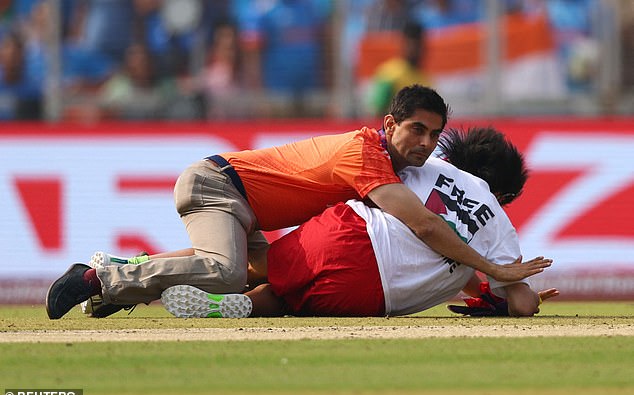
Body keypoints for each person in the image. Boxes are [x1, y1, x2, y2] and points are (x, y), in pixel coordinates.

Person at [46, 84, 549, 320]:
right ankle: (101, 279)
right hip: (220, 186)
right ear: (389, 124)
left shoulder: (408, 167)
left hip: (243, 198)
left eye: (433, 135)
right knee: (227, 269)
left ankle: (124, 272)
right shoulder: (367, 154)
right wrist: (493, 270)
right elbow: (423, 226)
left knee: (254, 264)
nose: (424, 144)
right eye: (416, 130)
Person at [159, 126, 557, 318]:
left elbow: (430, 230)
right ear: (502, 194)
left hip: (347, 233)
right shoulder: (497, 222)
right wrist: (514, 295)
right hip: (376, 291)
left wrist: (479, 282)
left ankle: (145, 271)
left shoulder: (422, 163)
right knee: (285, 300)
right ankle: (238, 306)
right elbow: (519, 302)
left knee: (253, 265)